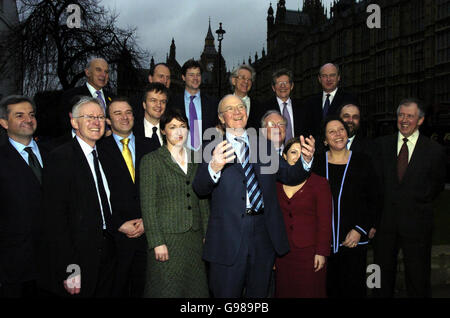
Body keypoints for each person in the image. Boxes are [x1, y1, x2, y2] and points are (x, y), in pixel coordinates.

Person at [192, 94, 316, 298]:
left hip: (263, 235)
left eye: (240, 107)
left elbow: (290, 175)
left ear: (247, 113)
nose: (237, 112)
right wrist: (214, 166)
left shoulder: (264, 145)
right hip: (228, 238)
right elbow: (200, 188)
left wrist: (306, 160)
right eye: (230, 109)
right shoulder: (210, 147)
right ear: (221, 118)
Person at [40, 97, 116, 297]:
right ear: (74, 122)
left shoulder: (105, 156)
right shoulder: (60, 158)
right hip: (79, 259)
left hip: (108, 253)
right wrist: (70, 267)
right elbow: (56, 220)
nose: (96, 122)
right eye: (89, 117)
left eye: (100, 117)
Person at [373, 98, 446, 297]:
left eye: (410, 116)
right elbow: (374, 185)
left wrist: (415, 202)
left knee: (418, 278)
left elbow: (436, 186)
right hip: (384, 225)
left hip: (418, 226)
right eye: (401, 115)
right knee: (378, 277)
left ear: (420, 120)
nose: (404, 120)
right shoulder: (380, 146)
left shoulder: (435, 151)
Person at [139, 107, 210, 298]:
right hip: (167, 240)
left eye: (183, 126)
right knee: (167, 289)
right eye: (172, 127)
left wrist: (206, 233)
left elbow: (202, 198)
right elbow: (148, 205)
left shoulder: (196, 157)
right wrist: (157, 242)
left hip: (194, 238)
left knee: (196, 291)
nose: (179, 132)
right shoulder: (151, 161)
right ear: (163, 130)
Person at [97, 97, 159, 297]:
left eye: (128, 112)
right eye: (117, 113)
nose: (124, 117)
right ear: (108, 120)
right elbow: (95, 194)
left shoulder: (150, 146)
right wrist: (116, 224)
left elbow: (160, 188)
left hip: (147, 234)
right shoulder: (98, 150)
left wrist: (147, 221)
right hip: (115, 237)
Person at [312, 116, 377, 298]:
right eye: (331, 131)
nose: (338, 134)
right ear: (325, 140)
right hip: (324, 244)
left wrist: (360, 229)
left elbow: (374, 199)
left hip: (353, 241)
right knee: (327, 290)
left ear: (347, 134)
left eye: (341, 129)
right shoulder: (316, 164)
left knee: (353, 289)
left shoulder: (363, 161)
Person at [0, 95, 47, 297]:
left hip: (52, 263)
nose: (28, 119)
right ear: (3, 122)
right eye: (19, 115)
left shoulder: (54, 153)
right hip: (14, 267)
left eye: (31, 114)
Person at [275, 137, 332, 298]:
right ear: (284, 157)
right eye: (293, 152)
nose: (298, 156)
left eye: (303, 152)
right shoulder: (276, 183)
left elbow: (325, 221)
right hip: (283, 253)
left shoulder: (320, 183)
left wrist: (321, 252)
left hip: (310, 254)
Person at [168, 59, 218, 151]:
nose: (195, 78)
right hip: (180, 155)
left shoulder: (212, 103)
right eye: (191, 75)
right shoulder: (173, 103)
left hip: (206, 156)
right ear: (183, 77)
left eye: (198, 75)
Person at [59, 58, 113, 136]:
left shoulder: (113, 98)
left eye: (106, 72)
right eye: (98, 70)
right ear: (87, 72)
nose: (103, 75)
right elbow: (65, 125)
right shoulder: (70, 96)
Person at [304, 63, 357, 138]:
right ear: (319, 79)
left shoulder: (349, 99)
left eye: (332, 75)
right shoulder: (310, 102)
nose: (328, 79)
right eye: (324, 76)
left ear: (338, 77)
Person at [259, 68, 311, 140]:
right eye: (279, 83)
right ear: (273, 87)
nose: (283, 86)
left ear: (292, 86)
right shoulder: (264, 108)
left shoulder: (303, 107)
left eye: (286, 83)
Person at [133, 83, 168, 147]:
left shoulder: (172, 130)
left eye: (163, 101)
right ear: (144, 104)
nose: (158, 105)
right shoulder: (132, 131)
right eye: (153, 100)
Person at [229, 64, 261, 128]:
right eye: (243, 78)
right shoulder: (222, 104)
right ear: (233, 81)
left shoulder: (259, 107)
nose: (246, 81)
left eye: (249, 79)